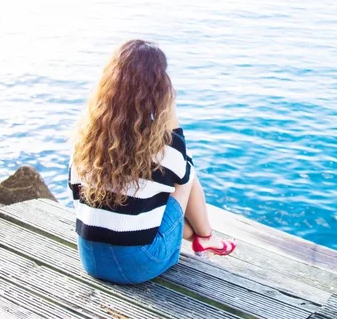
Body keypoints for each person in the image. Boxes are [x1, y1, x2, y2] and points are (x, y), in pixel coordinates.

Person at [68, 39, 236, 284]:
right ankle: (207, 236)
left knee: (158, 190)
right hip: (137, 266)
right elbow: (183, 173)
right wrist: (170, 110)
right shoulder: (165, 148)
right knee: (187, 175)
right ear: (161, 90)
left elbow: (76, 195)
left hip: (91, 258)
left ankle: (200, 237)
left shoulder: (85, 139)